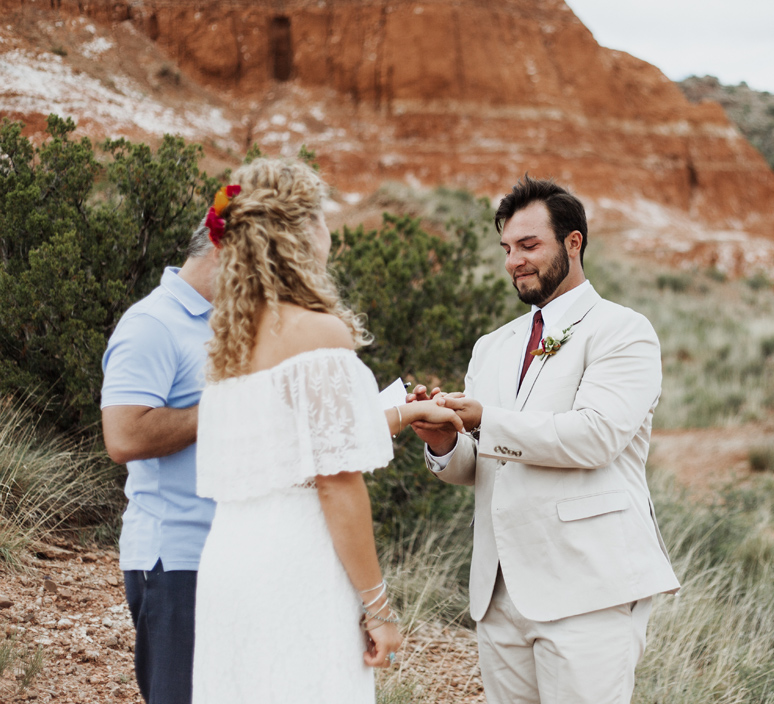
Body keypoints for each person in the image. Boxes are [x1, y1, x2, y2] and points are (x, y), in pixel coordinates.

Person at [190, 158, 464, 703]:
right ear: (303, 232)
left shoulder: (228, 345)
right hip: (297, 560)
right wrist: (378, 607)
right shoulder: (317, 332)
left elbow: (290, 448)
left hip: (229, 557)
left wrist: (404, 414)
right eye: (324, 218)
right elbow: (336, 481)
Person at [412, 176, 681, 704]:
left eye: (530, 245)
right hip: (498, 590)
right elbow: (485, 462)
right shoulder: (492, 346)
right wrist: (444, 443)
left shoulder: (623, 330)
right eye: (508, 249)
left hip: (588, 588)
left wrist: (486, 419)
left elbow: (596, 437)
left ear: (573, 243)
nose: (515, 261)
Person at [100, 221, 220, 704]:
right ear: (223, 247)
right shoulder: (152, 323)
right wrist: (228, 406)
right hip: (175, 561)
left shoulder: (224, 323)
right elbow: (124, 435)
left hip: (225, 554)